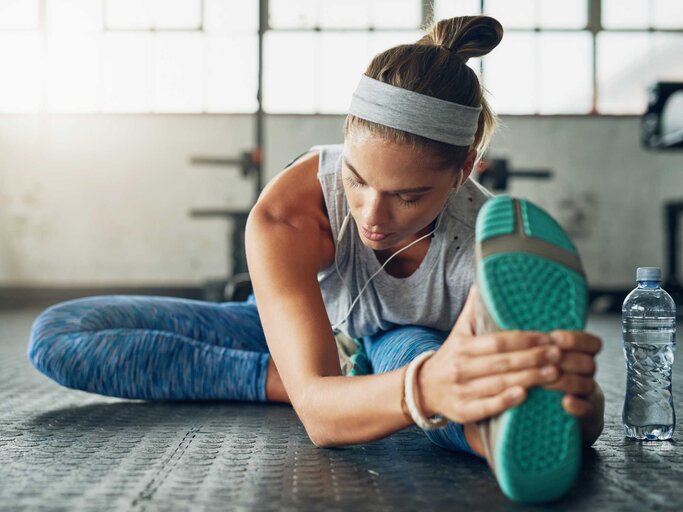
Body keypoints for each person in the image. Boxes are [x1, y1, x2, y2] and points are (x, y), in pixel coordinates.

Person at [27, 15, 604, 503]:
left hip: (407, 349)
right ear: (344, 144)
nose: (373, 215)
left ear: (464, 165)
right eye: (356, 179)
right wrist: (322, 389)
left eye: (408, 196)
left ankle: (488, 437)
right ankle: (308, 381)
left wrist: (576, 400)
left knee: (426, 360)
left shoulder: (486, 242)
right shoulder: (289, 209)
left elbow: (506, 380)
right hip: (289, 331)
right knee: (59, 334)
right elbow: (323, 421)